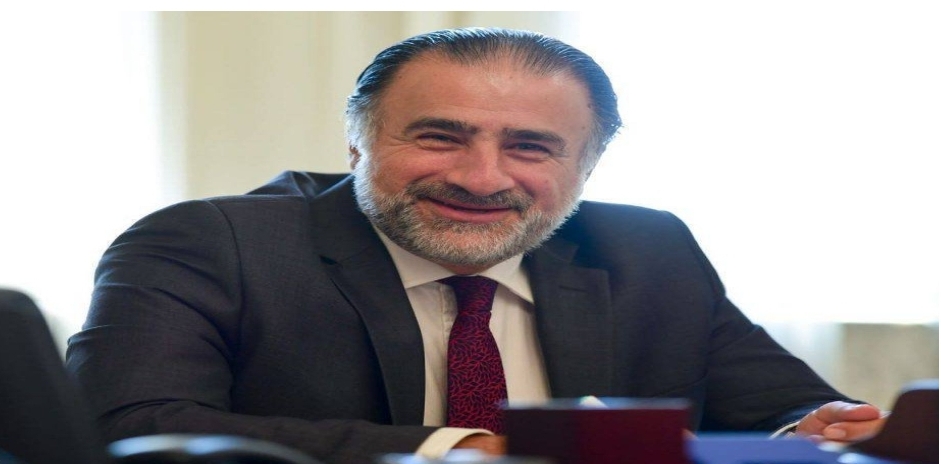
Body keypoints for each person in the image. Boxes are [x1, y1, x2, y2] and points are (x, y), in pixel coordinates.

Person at [65, 27, 886, 464]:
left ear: (585, 167)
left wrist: (820, 433)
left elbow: (785, 410)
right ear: (357, 145)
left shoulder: (648, 250)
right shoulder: (208, 244)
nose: (481, 177)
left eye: (530, 147)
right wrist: (472, 450)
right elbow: (128, 428)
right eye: (439, 136)